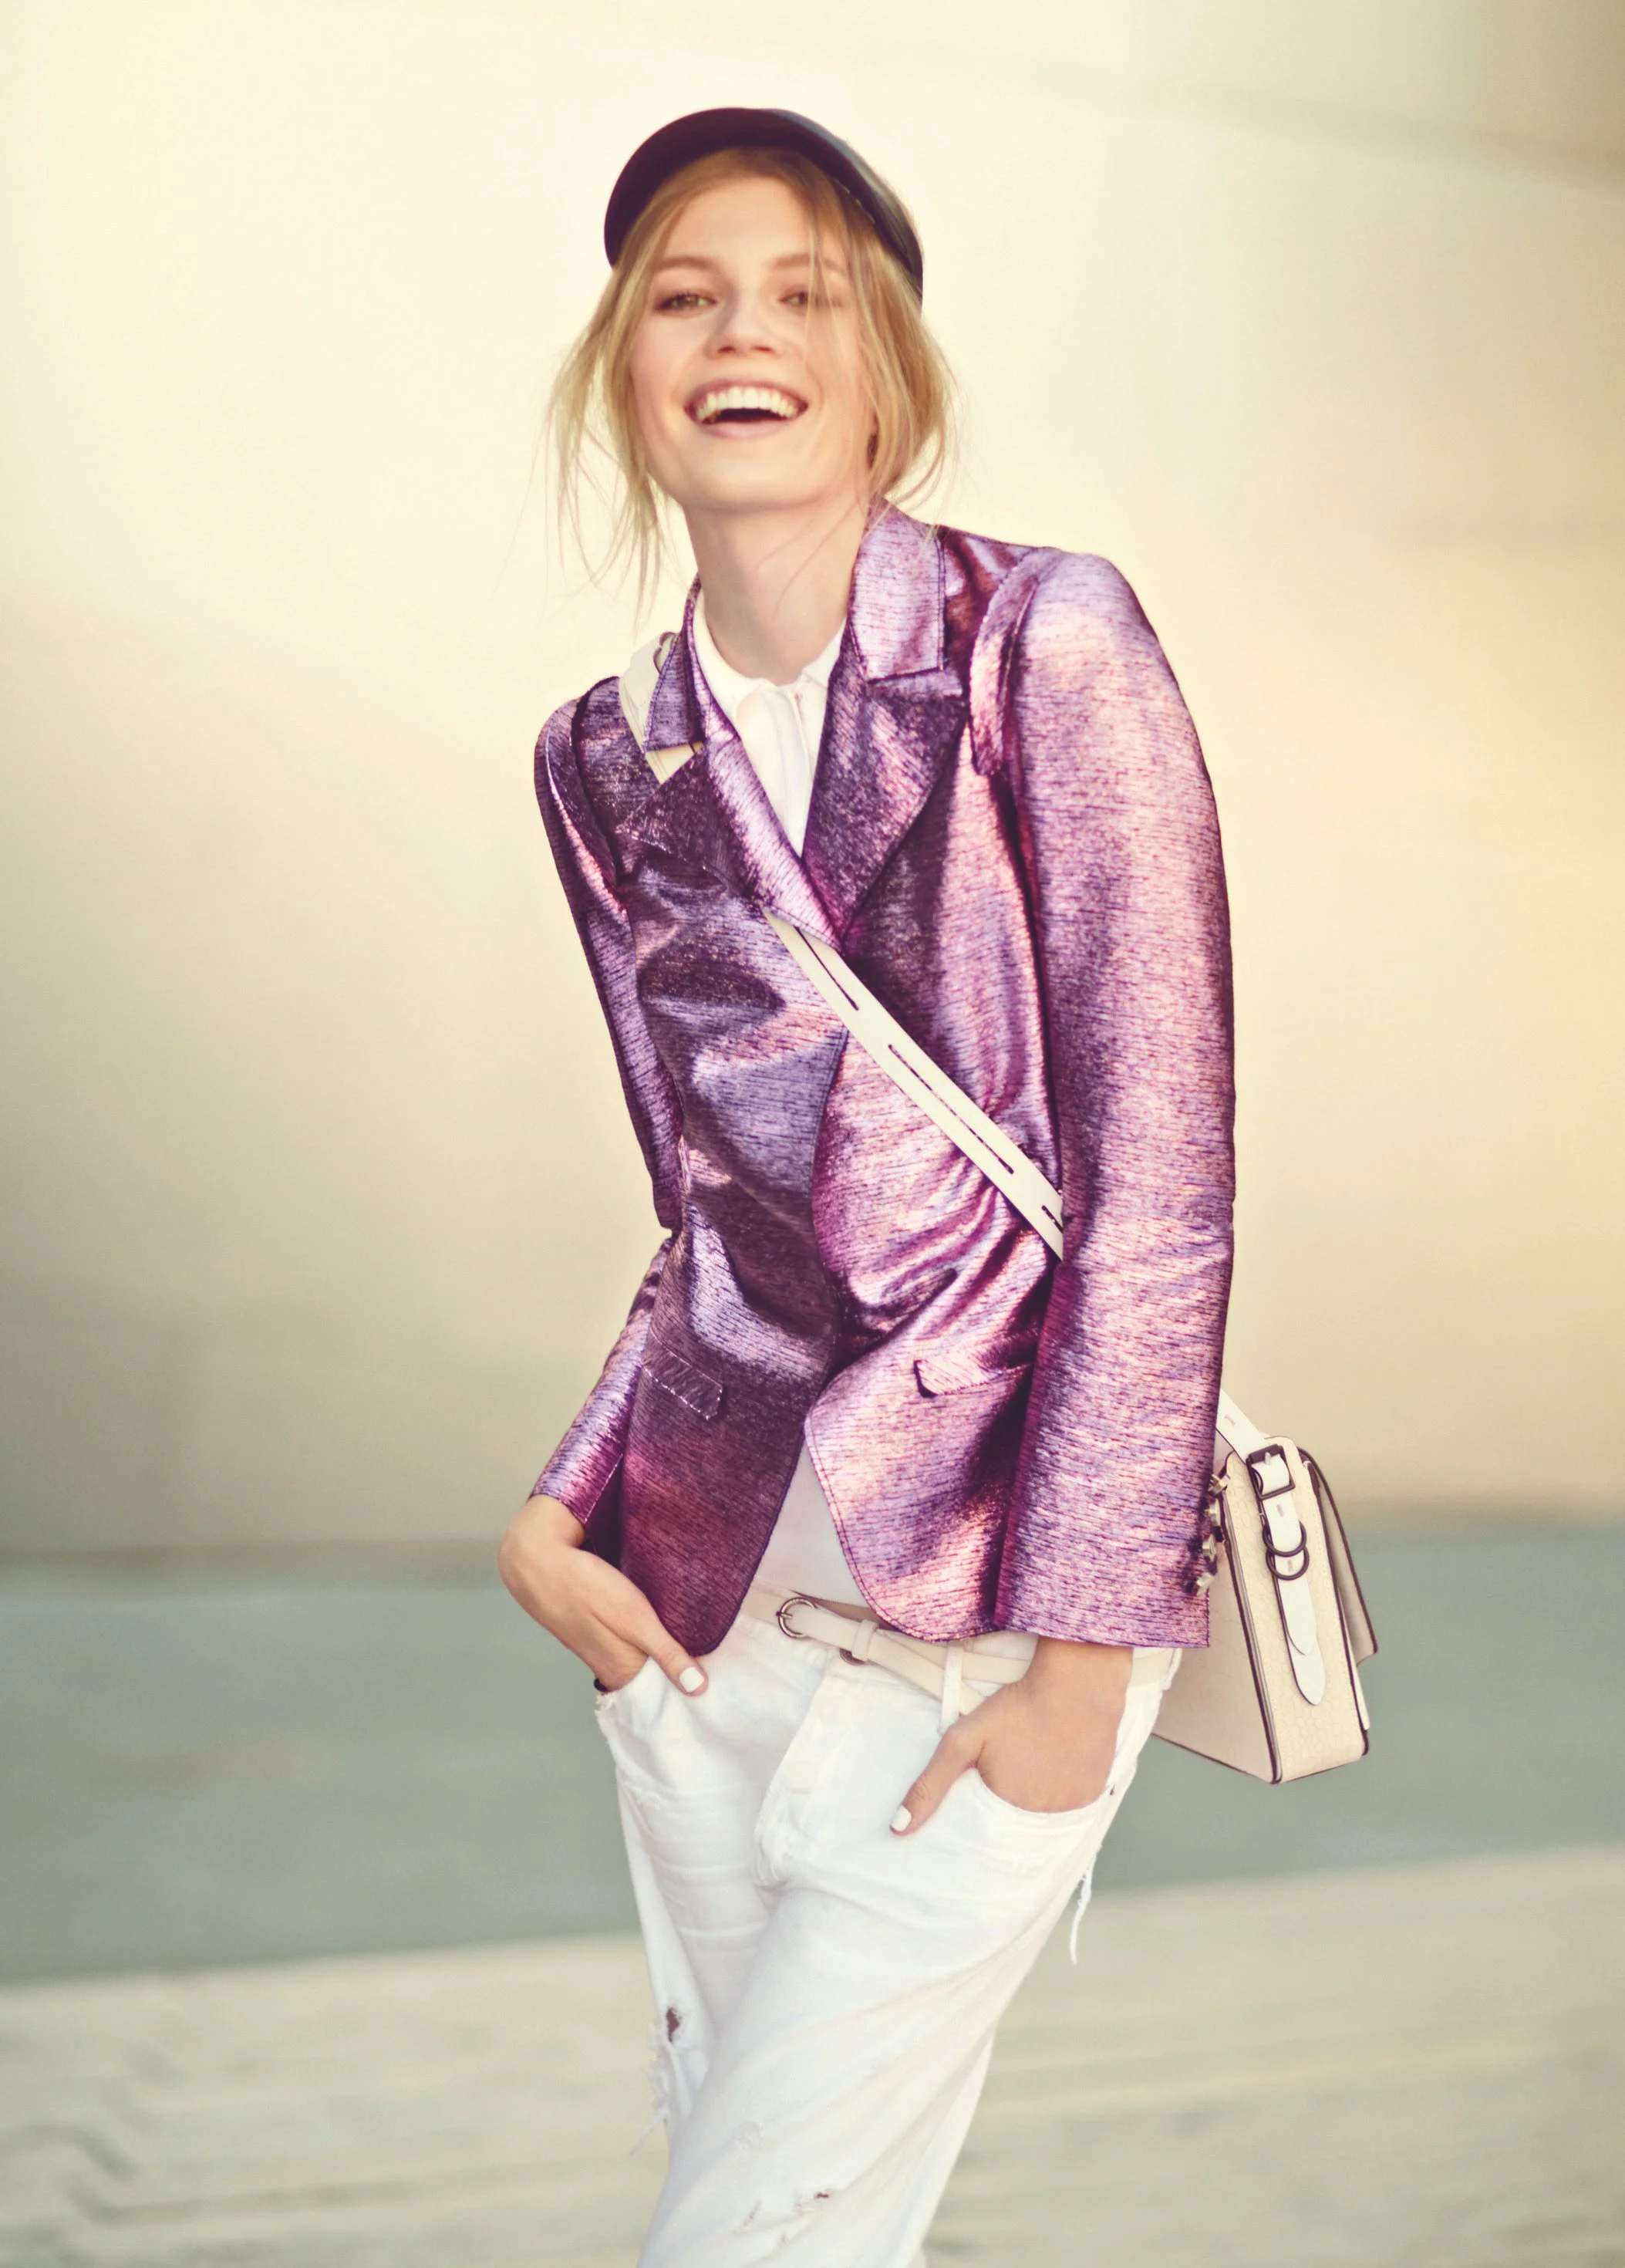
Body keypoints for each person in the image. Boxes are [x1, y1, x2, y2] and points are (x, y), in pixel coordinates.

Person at [499, 107, 1234, 2268]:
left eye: (803, 293)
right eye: (686, 297)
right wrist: (563, 1508)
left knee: (747, 2233)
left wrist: (1085, 1665)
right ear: (625, 370)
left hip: (998, 1605)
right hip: (706, 1613)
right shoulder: (603, 757)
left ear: (886, 369)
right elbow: (705, 1211)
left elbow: (1161, 1179)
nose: (744, 333)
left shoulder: (1045, 643)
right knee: (781, 2210)